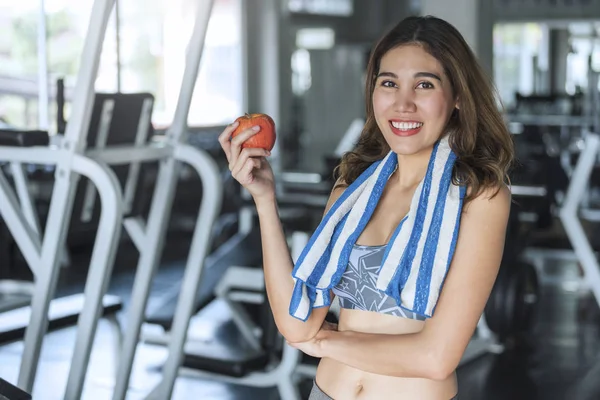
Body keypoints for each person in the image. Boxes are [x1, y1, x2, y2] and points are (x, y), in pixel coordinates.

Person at [219, 15, 514, 400]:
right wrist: (264, 200)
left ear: (457, 96)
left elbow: (435, 357)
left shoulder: (479, 196)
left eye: (424, 84)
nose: (403, 103)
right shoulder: (352, 189)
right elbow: (298, 323)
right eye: (389, 83)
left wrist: (323, 344)